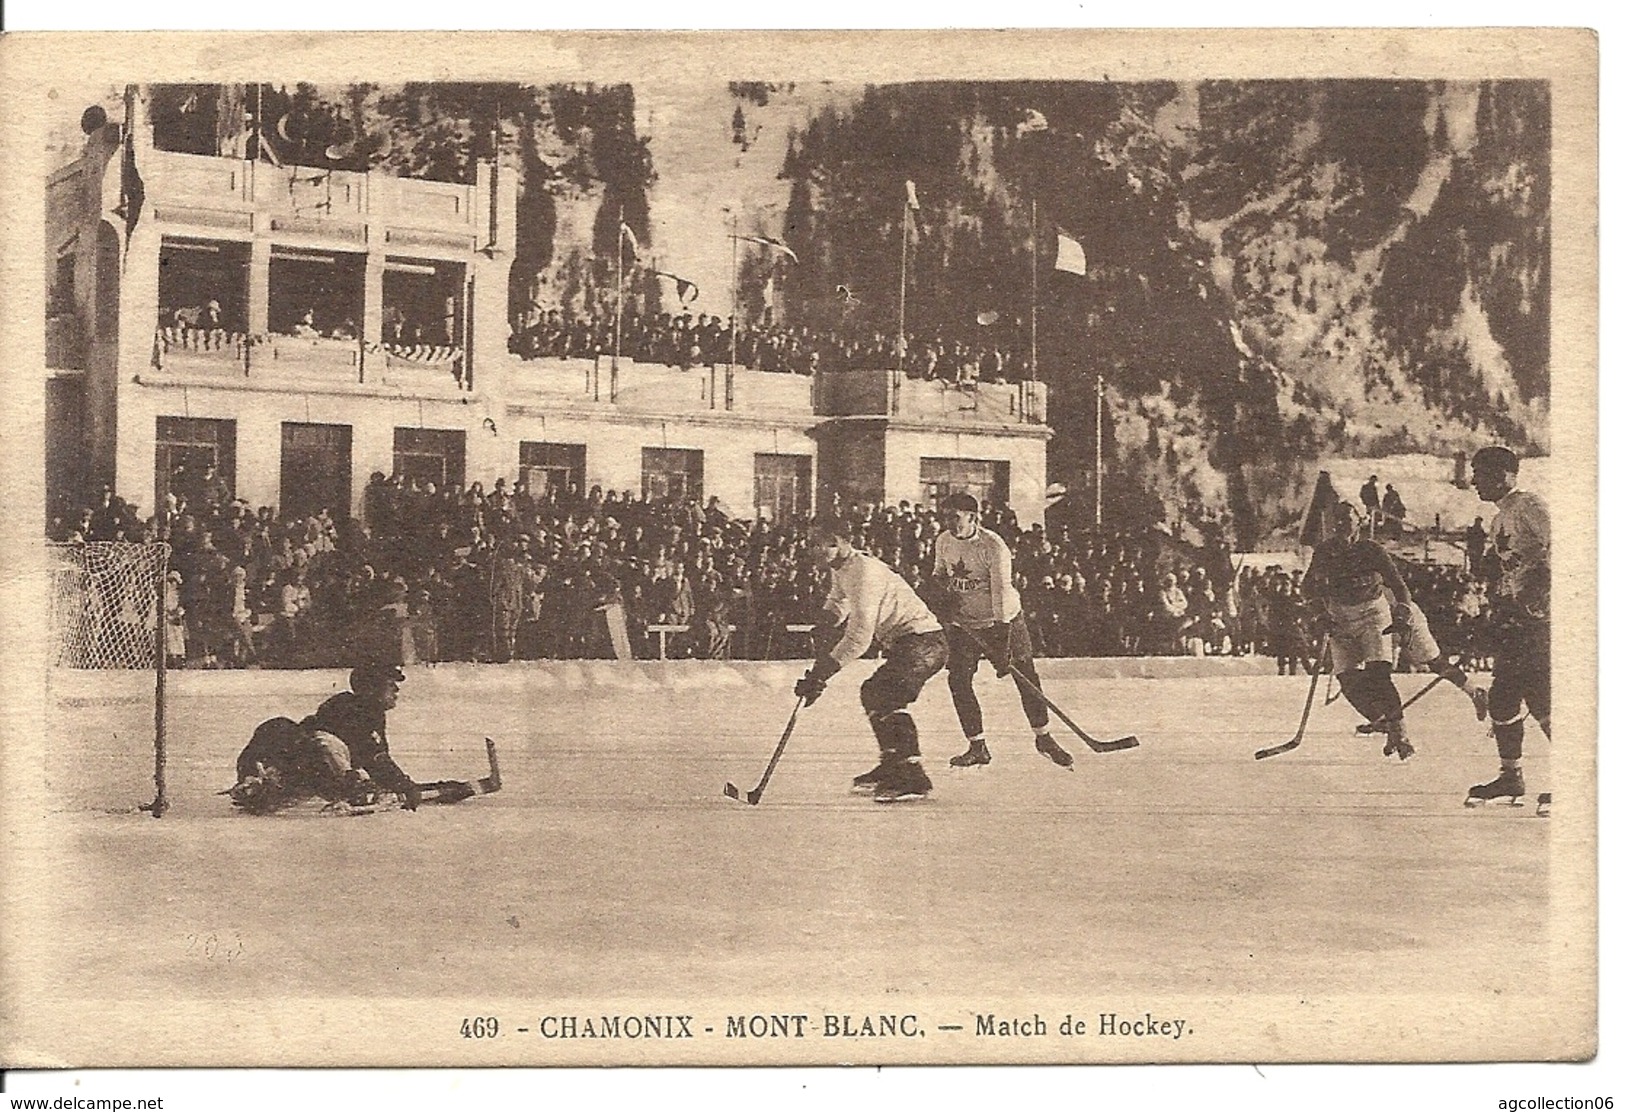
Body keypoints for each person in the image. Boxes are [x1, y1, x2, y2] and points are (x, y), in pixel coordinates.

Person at [794, 516, 947, 803]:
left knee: (883, 694)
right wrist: (825, 625)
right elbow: (838, 602)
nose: (809, 549)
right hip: (911, 643)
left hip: (924, 642)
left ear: (837, 543)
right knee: (873, 693)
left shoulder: (864, 572)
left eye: (815, 544)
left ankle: (912, 775)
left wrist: (821, 676)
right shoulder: (843, 568)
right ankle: (893, 764)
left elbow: (859, 638)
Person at [930, 492, 1072, 771]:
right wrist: (939, 594)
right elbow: (939, 575)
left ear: (972, 517)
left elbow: (1002, 594)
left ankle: (1044, 738)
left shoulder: (993, 546)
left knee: (1025, 677)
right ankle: (977, 746)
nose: (948, 522)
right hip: (964, 624)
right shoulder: (944, 540)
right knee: (958, 680)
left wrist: (1001, 639)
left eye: (954, 517)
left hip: (1004, 619)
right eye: (945, 516)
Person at [229, 663, 477, 814]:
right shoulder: (363, 711)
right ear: (372, 689)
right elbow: (376, 758)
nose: (397, 691)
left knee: (288, 730)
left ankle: (259, 780)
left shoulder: (350, 705)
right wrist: (404, 786)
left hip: (300, 766)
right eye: (391, 685)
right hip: (313, 769)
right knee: (324, 743)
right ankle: (269, 781)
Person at [1464, 446, 1551, 809]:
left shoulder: (1529, 506)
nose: (1473, 482)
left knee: (1542, 697)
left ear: (1505, 475)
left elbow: (1565, 548)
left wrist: (1539, 588)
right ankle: (1511, 776)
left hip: (1542, 619)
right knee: (1502, 698)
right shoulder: (1499, 519)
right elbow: (1510, 570)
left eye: (1480, 474)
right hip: (1516, 620)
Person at [1301, 501, 1419, 760]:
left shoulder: (1371, 549)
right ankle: (1382, 722)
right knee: (1348, 681)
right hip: (1339, 616)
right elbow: (1308, 587)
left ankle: (1400, 733)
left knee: (1379, 675)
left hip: (1372, 613)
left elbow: (1399, 588)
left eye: (1348, 519)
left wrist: (1403, 614)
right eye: (1338, 520)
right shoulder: (1325, 551)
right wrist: (1319, 614)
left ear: (1360, 521)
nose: (1343, 524)